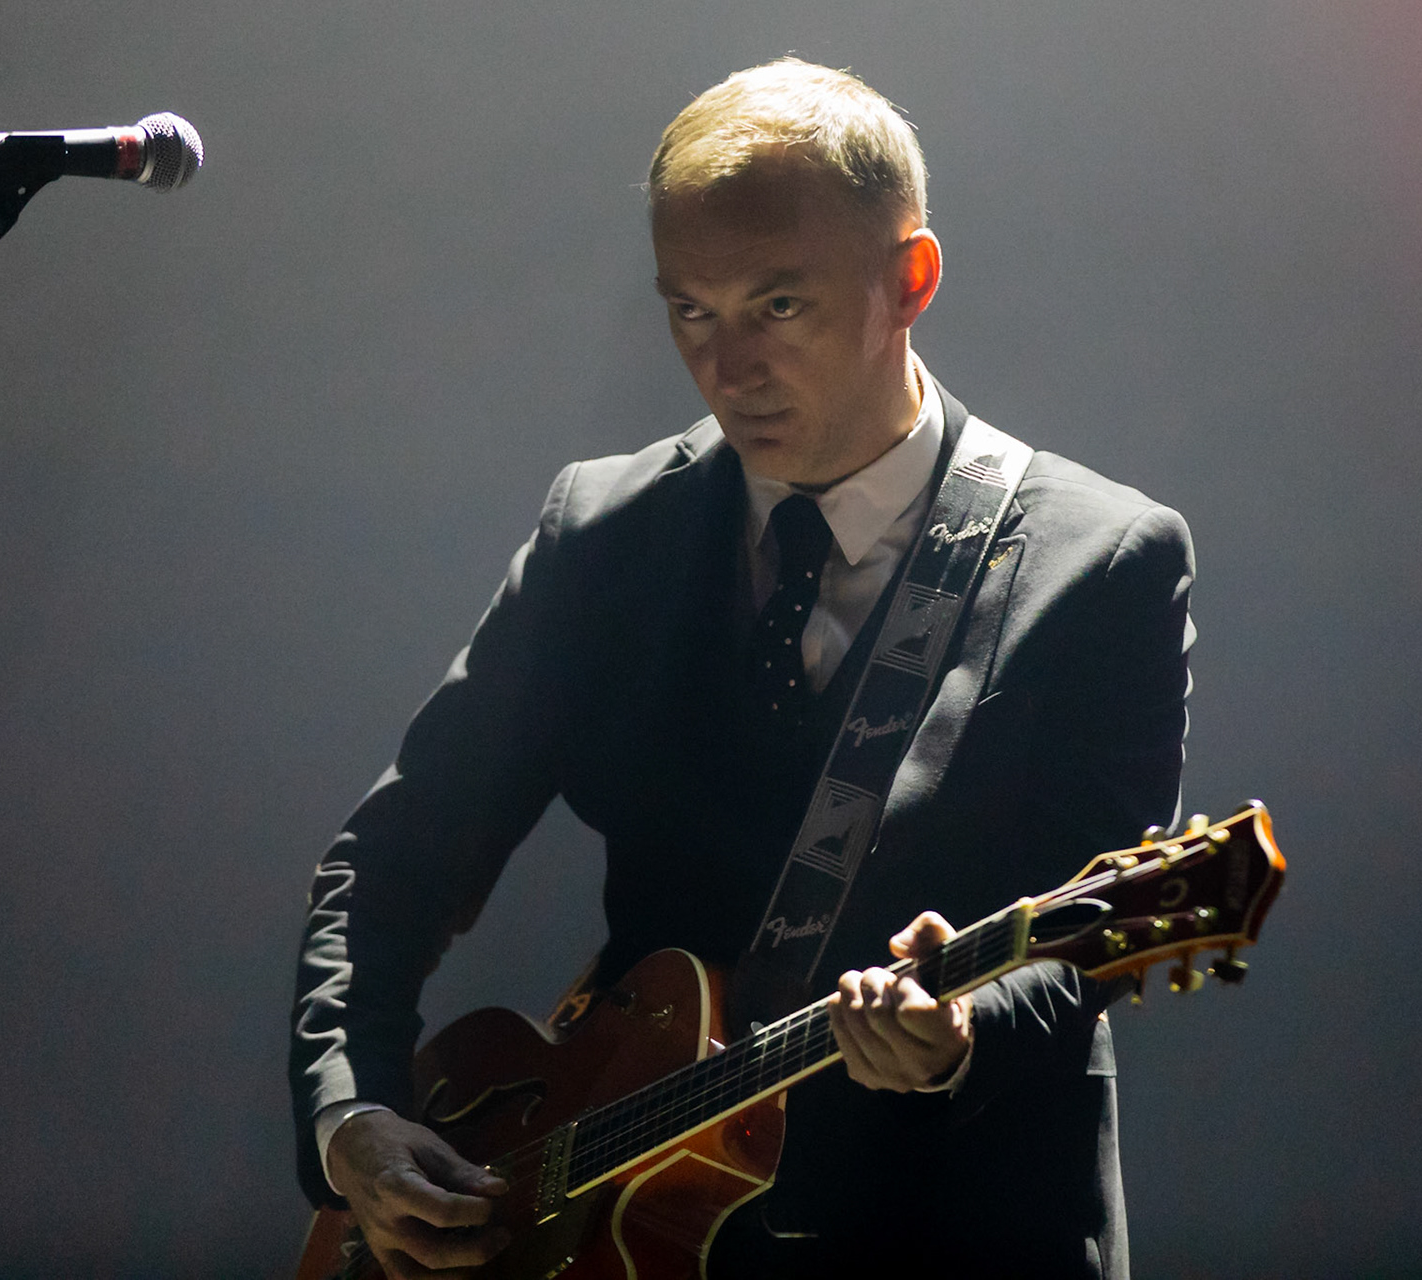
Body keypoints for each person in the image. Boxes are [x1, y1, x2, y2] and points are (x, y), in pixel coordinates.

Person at [291, 58, 1194, 1280]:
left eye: (778, 306)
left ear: (909, 280)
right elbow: (393, 860)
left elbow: (1090, 935)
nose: (728, 369)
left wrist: (956, 1032)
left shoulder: (1103, 559)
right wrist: (354, 1117)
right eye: (690, 311)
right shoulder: (604, 530)